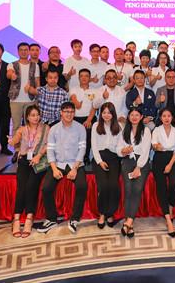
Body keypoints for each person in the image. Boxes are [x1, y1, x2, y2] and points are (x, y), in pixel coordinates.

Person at [38, 101, 87, 234]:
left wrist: (75, 168)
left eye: (71, 112)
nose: (69, 114)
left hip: (75, 164)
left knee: (82, 186)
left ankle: (75, 218)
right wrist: (54, 168)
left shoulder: (80, 128)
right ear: (61, 112)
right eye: (66, 111)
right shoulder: (54, 129)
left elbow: (82, 149)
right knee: (46, 188)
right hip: (58, 164)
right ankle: (51, 218)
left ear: (74, 113)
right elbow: (50, 150)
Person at [8, 104, 48, 238]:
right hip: (24, 160)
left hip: (38, 161)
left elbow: (48, 144)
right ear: (27, 117)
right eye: (32, 115)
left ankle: (29, 218)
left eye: (37, 115)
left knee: (31, 186)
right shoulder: (22, 129)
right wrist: (11, 141)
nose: (36, 118)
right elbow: (15, 141)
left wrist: (38, 156)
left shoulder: (45, 128)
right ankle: (16, 218)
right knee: (22, 188)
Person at [117, 107, 152, 238]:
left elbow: (146, 150)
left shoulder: (146, 130)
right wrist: (123, 151)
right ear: (128, 117)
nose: (134, 117)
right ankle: (129, 224)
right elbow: (118, 148)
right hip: (127, 160)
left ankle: (129, 221)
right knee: (128, 189)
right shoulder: (124, 130)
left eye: (137, 115)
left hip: (141, 162)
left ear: (141, 117)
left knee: (137, 189)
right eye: (132, 115)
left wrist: (139, 167)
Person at [91, 102, 122, 229]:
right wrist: (99, 161)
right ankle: (103, 214)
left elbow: (120, 145)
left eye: (109, 112)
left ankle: (110, 213)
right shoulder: (96, 125)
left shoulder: (119, 126)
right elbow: (94, 146)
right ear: (100, 114)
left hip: (114, 158)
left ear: (113, 113)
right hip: (99, 158)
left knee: (113, 185)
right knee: (103, 185)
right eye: (104, 112)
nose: (106, 115)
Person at [151, 107, 175, 236]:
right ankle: (168, 219)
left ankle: (171, 208)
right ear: (161, 118)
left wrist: (170, 165)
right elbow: (154, 145)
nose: (166, 118)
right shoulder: (156, 130)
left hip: (172, 159)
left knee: (174, 185)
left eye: (169, 116)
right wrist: (157, 146)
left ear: (172, 117)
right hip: (159, 159)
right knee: (161, 187)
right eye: (164, 116)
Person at [8, 42, 39, 133]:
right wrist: (12, 75)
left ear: (29, 51)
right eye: (21, 50)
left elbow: (38, 83)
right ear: (18, 52)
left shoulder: (35, 65)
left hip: (30, 100)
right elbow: (9, 73)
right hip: (15, 100)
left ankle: (29, 143)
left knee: (30, 126)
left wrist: (35, 91)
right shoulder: (12, 64)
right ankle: (16, 142)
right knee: (16, 126)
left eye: (26, 50)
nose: (23, 52)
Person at [70, 69, 99, 162]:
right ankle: (75, 157)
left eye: (86, 76)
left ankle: (86, 157)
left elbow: (94, 107)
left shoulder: (94, 91)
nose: (84, 78)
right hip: (75, 118)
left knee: (88, 138)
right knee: (75, 139)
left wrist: (89, 120)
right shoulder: (74, 89)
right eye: (81, 76)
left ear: (90, 78)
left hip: (89, 118)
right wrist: (77, 103)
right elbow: (73, 98)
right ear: (78, 78)